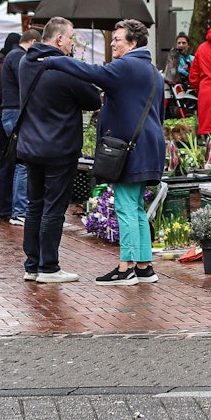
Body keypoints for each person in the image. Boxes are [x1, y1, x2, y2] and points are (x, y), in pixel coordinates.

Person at [46, 19, 165, 285]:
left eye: (118, 39)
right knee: (135, 207)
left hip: (129, 148)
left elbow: (91, 72)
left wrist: (53, 60)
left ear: (133, 43)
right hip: (149, 146)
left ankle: (126, 268)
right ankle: (145, 267)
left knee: (125, 206)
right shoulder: (153, 71)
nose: (112, 44)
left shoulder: (125, 66)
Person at [14, 18, 103, 283]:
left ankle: (32, 264)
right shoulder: (64, 68)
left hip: (31, 146)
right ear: (59, 40)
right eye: (71, 38)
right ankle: (49, 267)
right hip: (58, 147)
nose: (73, 44)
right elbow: (91, 99)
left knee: (34, 205)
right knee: (54, 207)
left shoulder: (25, 62)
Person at [0, 31, 30, 225]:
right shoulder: (17, 56)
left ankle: (8, 209)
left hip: (6, 113)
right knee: (20, 163)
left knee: (11, 163)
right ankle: (18, 210)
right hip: (13, 112)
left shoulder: (8, 57)